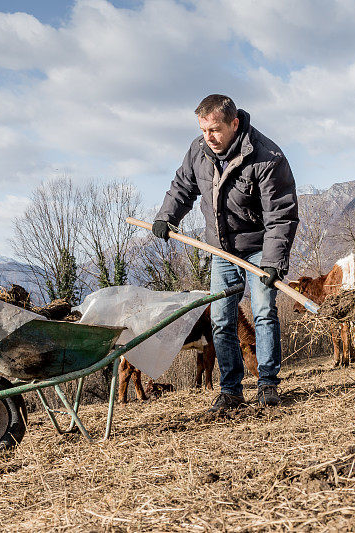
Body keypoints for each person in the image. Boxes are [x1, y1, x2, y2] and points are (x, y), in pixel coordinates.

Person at [152, 94, 298, 411]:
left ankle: (268, 385)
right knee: (220, 319)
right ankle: (231, 390)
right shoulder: (198, 150)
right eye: (204, 130)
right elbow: (182, 186)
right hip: (220, 248)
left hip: (260, 248)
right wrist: (167, 216)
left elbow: (281, 215)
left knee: (263, 313)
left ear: (234, 123)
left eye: (215, 130)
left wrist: (274, 262)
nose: (209, 138)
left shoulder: (266, 157)